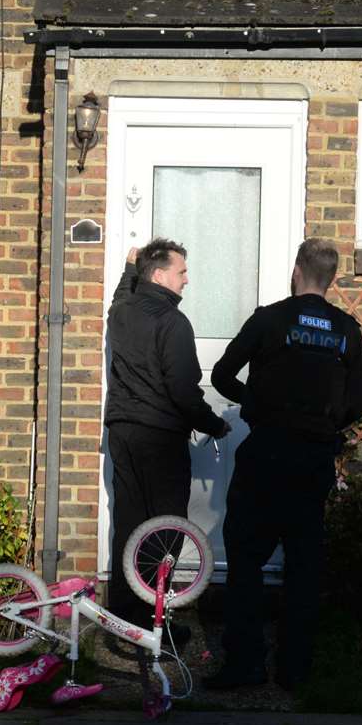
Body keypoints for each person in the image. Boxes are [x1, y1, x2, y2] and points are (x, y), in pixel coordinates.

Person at [204, 237, 362, 690]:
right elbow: (357, 403)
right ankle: (295, 670)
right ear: (331, 279)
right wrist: (324, 425)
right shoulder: (347, 331)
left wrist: (255, 403)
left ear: (297, 270)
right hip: (313, 460)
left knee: (244, 559)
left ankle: (245, 664)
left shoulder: (269, 319)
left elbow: (220, 375)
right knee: (303, 564)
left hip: (266, 454)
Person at [104, 238, 230, 633]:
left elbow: (119, 298)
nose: (187, 280)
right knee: (165, 529)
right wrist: (215, 424)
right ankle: (152, 620)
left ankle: (124, 614)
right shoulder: (173, 322)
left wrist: (128, 269)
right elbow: (182, 390)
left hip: (123, 432)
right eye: (181, 272)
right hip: (159, 437)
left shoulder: (123, 312)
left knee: (128, 522)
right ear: (159, 275)